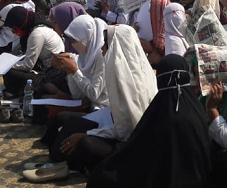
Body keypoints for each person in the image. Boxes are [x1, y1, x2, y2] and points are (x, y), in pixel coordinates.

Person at [26, 24, 156, 182]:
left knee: (86, 143)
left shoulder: (129, 77)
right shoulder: (120, 66)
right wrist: (70, 71)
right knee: (68, 123)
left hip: (130, 141)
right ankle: (61, 163)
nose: (102, 49)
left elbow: (126, 130)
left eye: (106, 45)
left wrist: (86, 135)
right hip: (111, 119)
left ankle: (68, 166)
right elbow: (78, 95)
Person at [86, 55, 211, 188]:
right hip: (197, 179)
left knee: (101, 175)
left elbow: (140, 147)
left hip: (161, 176)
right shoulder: (196, 106)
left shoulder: (162, 108)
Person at [0, 6, 64, 95]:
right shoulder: (35, 29)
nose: (14, 31)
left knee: (10, 73)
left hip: (51, 74)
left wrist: (4, 64)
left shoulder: (37, 33)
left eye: (14, 28)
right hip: (43, 68)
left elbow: (27, 65)